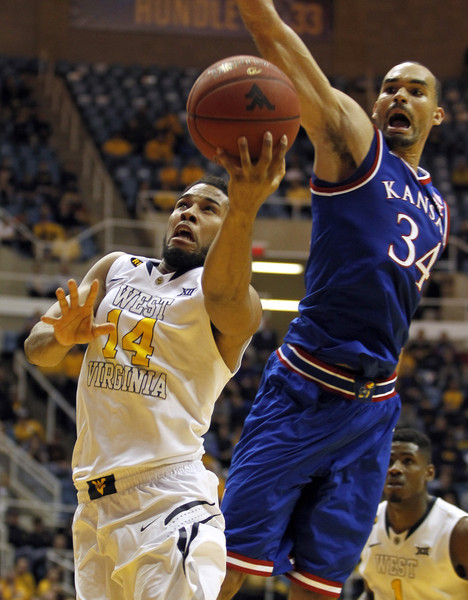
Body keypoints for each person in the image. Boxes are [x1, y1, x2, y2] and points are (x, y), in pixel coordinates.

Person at [218, 2, 449, 599]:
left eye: (415, 91)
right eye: (390, 89)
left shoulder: (440, 210)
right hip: (306, 387)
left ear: (438, 113)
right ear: (373, 107)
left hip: (374, 411)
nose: (399, 97)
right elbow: (288, 53)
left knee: (320, 586)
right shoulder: (354, 143)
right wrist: (259, 14)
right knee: (230, 567)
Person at [24, 133, 288, 600]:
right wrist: (61, 338)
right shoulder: (115, 267)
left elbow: (227, 291)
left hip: (167, 500)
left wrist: (243, 207)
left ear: (228, 231)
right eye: (183, 204)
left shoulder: (231, 303)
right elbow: (36, 349)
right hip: (93, 505)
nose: (188, 212)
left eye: (209, 210)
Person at [358, 428, 468, 599]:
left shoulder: (459, 531)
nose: (395, 469)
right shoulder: (368, 522)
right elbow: (371, 592)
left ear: (429, 473)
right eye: (389, 461)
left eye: (407, 461)